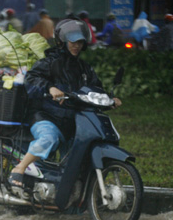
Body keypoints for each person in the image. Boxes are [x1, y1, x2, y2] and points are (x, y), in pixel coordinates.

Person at [8, 19, 122, 192]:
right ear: (63, 42)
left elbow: (95, 87)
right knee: (49, 138)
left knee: (77, 156)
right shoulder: (50, 62)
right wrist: (50, 87)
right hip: (46, 116)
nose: (76, 46)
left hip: (72, 120)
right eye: (73, 42)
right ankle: (20, 169)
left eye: (80, 42)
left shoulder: (84, 68)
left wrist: (109, 98)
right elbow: (31, 79)